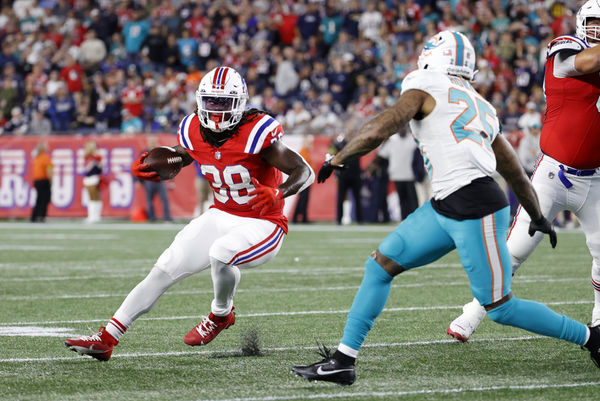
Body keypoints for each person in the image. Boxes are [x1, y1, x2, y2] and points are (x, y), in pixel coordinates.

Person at [291, 31, 600, 386]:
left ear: (433, 57)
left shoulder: (425, 85)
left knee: (500, 306)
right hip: (446, 204)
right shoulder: (480, 104)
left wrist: (340, 157)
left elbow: (386, 124)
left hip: (475, 204)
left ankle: (593, 339)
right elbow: (511, 166)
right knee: (380, 265)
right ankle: (343, 361)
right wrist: (538, 213)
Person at [65, 66, 314, 361]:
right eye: (210, 101)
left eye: (223, 102)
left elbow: (305, 172)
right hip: (220, 213)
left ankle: (221, 314)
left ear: (239, 103)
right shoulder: (194, 128)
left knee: (222, 252)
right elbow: (184, 153)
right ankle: (107, 338)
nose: (215, 109)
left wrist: (279, 192)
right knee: (164, 268)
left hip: (263, 222)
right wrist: (156, 161)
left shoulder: (256, 132)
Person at [447, 1, 600, 342]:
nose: (599, 28)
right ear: (581, 23)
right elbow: (588, 62)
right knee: (516, 249)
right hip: (554, 173)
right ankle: (471, 313)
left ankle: (599, 321)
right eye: (595, 22)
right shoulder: (566, 47)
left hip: (596, 178)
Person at [141, 135, 172, 223]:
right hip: (149, 180)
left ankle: (167, 218)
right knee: (149, 200)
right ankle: (152, 218)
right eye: (151, 141)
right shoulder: (144, 153)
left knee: (164, 199)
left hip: (159, 179)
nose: (152, 143)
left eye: (154, 141)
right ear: (148, 142)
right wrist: (139, 180)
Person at [31, 141, 52, 222]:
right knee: (44, 199)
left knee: (39, 199)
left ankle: (35, 216)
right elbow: (49, 170)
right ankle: (41, 215)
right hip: (44, 180)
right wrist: (51, 180)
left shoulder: (37, 157)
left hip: (37, 181)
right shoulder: (45, 158)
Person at [83, 140, 104, 223]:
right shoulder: (89, 157)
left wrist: (94, 163)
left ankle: (94, 216)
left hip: (93, 178)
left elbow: (99, 168)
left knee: (94, 198)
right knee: (93, 198)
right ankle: (93, 216)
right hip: (89, 178)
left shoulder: (95, 158)